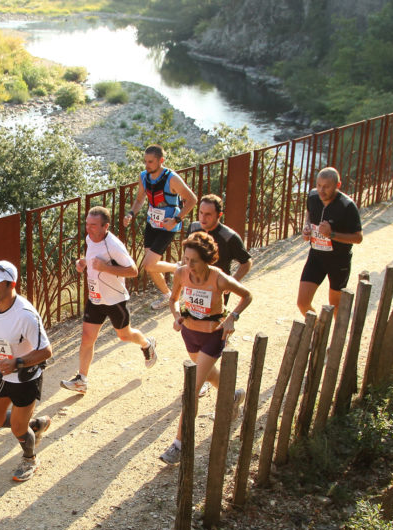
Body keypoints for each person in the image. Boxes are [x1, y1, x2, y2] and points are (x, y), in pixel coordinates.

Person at [161, 232, 252, 465]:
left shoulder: (219, 278)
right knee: (208, 374)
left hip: (213, 336)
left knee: (192, 387)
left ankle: (178, 444)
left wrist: (232, 317)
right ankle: (233, 396)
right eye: (186, 259)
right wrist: (177, 316)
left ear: (206, 260)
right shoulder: (181, 273)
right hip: (190, 335)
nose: (188, 265)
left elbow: (247, 295)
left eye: (194, 261)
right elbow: (173, 300)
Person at [60, 207, 158, 395]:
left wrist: (105, 267)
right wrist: (83, 262)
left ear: (106, 226)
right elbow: (93, 258)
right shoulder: (90, 238)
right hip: (95, 298)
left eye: (93, 225)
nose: (88, 229)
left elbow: (133, 271)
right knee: (87, 338)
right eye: (87, 224)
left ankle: (147, 344)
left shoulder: (114, 246)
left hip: (114, 300)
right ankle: (82, 379)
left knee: (124, 335)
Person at [0, 260, 53, 483]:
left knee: (18, 429)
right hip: (0, 374)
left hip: (25, 378)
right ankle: (36, 424)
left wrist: (18, 363)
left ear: (11, 284)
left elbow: (46, 350)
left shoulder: (25, 315)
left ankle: (30, 459)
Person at [123, 144, 197, 310]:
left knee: (149, 264)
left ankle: (180, 268)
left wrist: (176, 219)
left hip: (168, 226)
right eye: (145, 161)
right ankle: (168, 296)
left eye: (150, 162)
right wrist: (131, 214)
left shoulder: (172, 178)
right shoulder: (144, 177)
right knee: (152, 267)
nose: (146, 165)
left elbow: (192, 199)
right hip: (152, 224)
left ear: (161, 161)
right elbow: (140, 200)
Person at [297, 167, 363, 315]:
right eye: (319, 185)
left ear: (337, 186)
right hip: (316, 257)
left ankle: (337, 337)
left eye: (326, 187)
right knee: (302, 304)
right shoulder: (313, 196)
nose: (321, 190)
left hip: (339, 260)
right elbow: (309, 212)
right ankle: (319, 331)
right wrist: (307, 226)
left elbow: (358, 238)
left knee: (336, 308)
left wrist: (331, 234)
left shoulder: (347, 206)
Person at [186, 194, 253, 306]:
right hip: (194, 285)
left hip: (217, 288)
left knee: (213, 322)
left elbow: (246, 262)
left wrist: (232, 282)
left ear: (219, 215)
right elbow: (187, 255)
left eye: (208, 214)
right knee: (192, 320)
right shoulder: (193, 228)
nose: (203, 218)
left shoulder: (229, 237)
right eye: (201, 213)